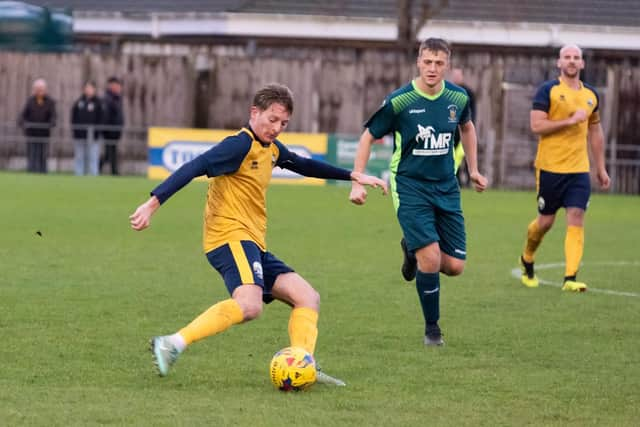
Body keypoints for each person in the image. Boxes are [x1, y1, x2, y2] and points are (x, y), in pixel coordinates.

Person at [130, 83, 387, 382]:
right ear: (255, 113)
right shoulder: (239, 145)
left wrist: (352, 175)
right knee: (250, 305)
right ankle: (172, 343)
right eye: (272, 120)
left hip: (252, 242)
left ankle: (304, 364)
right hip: (229, 237)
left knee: (308, 297)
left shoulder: (273, 149)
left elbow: (304, 165)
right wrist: (152, 203)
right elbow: (195, 166)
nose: (277, 128)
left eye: (284, 123)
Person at [349, 38, 488, 346]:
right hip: (410, 186)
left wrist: (474, 170)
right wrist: (357, 182)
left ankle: (411, 249)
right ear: (418, 62)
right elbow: (368, 137)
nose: (433, 69)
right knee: (431, 258)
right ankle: (432, 330)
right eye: (428, 62)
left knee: (454, 266)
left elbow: (467, 128)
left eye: (439, 63)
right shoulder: (400, 101)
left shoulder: (458, 97)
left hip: (447, 187)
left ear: (447, 65)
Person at [519, 44, 610, 292]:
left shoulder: (591, 95)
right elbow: (537, 126)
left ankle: (570, 278)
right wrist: (570, 120)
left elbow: (595, 131)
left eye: (576, 57)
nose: (571, 61)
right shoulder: (547, 90)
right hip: (550, 167)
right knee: (545, 223)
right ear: (559, 63)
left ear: (582, 64)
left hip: (579, 170)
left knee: (577, 216)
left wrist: (600, 167)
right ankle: (527, 257)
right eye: (567, 57)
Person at [18, 78, 56, 173]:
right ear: (34, 89)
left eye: (41, 89)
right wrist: (24, 123)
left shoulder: (50, 102)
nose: (39, 91)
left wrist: (50, 123)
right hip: (31, 133)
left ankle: (42, 172)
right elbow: (22, 116)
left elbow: (53, 116)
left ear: (45, 89)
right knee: (32, 154)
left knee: (43, 154)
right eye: (37, 89)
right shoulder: (30, 101)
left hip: (44, 133)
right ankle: (31, 171)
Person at [449, 68, 476, 183]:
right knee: (453, 156)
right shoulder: (449, 92)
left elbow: (473, 110)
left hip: (464, 129)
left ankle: (470, 178)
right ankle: (457, 178)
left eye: (458, 75)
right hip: (453, 130)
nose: (456, 77)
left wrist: (471, 123)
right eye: (454, 75)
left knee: (464, 154)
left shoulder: (468, 93)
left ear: (462, 76)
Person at [71, 81, 103, 176]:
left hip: (93, 136)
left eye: (90, 88)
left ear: (94, 89)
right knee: (79, 157)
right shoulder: (79, 102)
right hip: (80, 135)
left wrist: (97, 132)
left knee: (93, 157)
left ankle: (93, 175)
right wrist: (76, 131)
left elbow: (101, 118)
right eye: (86, 88)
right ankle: (79, 175)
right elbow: (73, 118)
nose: (88, 90)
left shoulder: (98, 103)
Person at [100, 76, 124, 175]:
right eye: (117, 85)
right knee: (109, 153)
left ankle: (113, 171)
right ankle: (111, 171)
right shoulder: (107, 98)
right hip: (109, 130)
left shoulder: (117, 98)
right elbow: (106, 116)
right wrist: (106, 128)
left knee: (111, 152)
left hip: (116, 130)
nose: (119, 88)